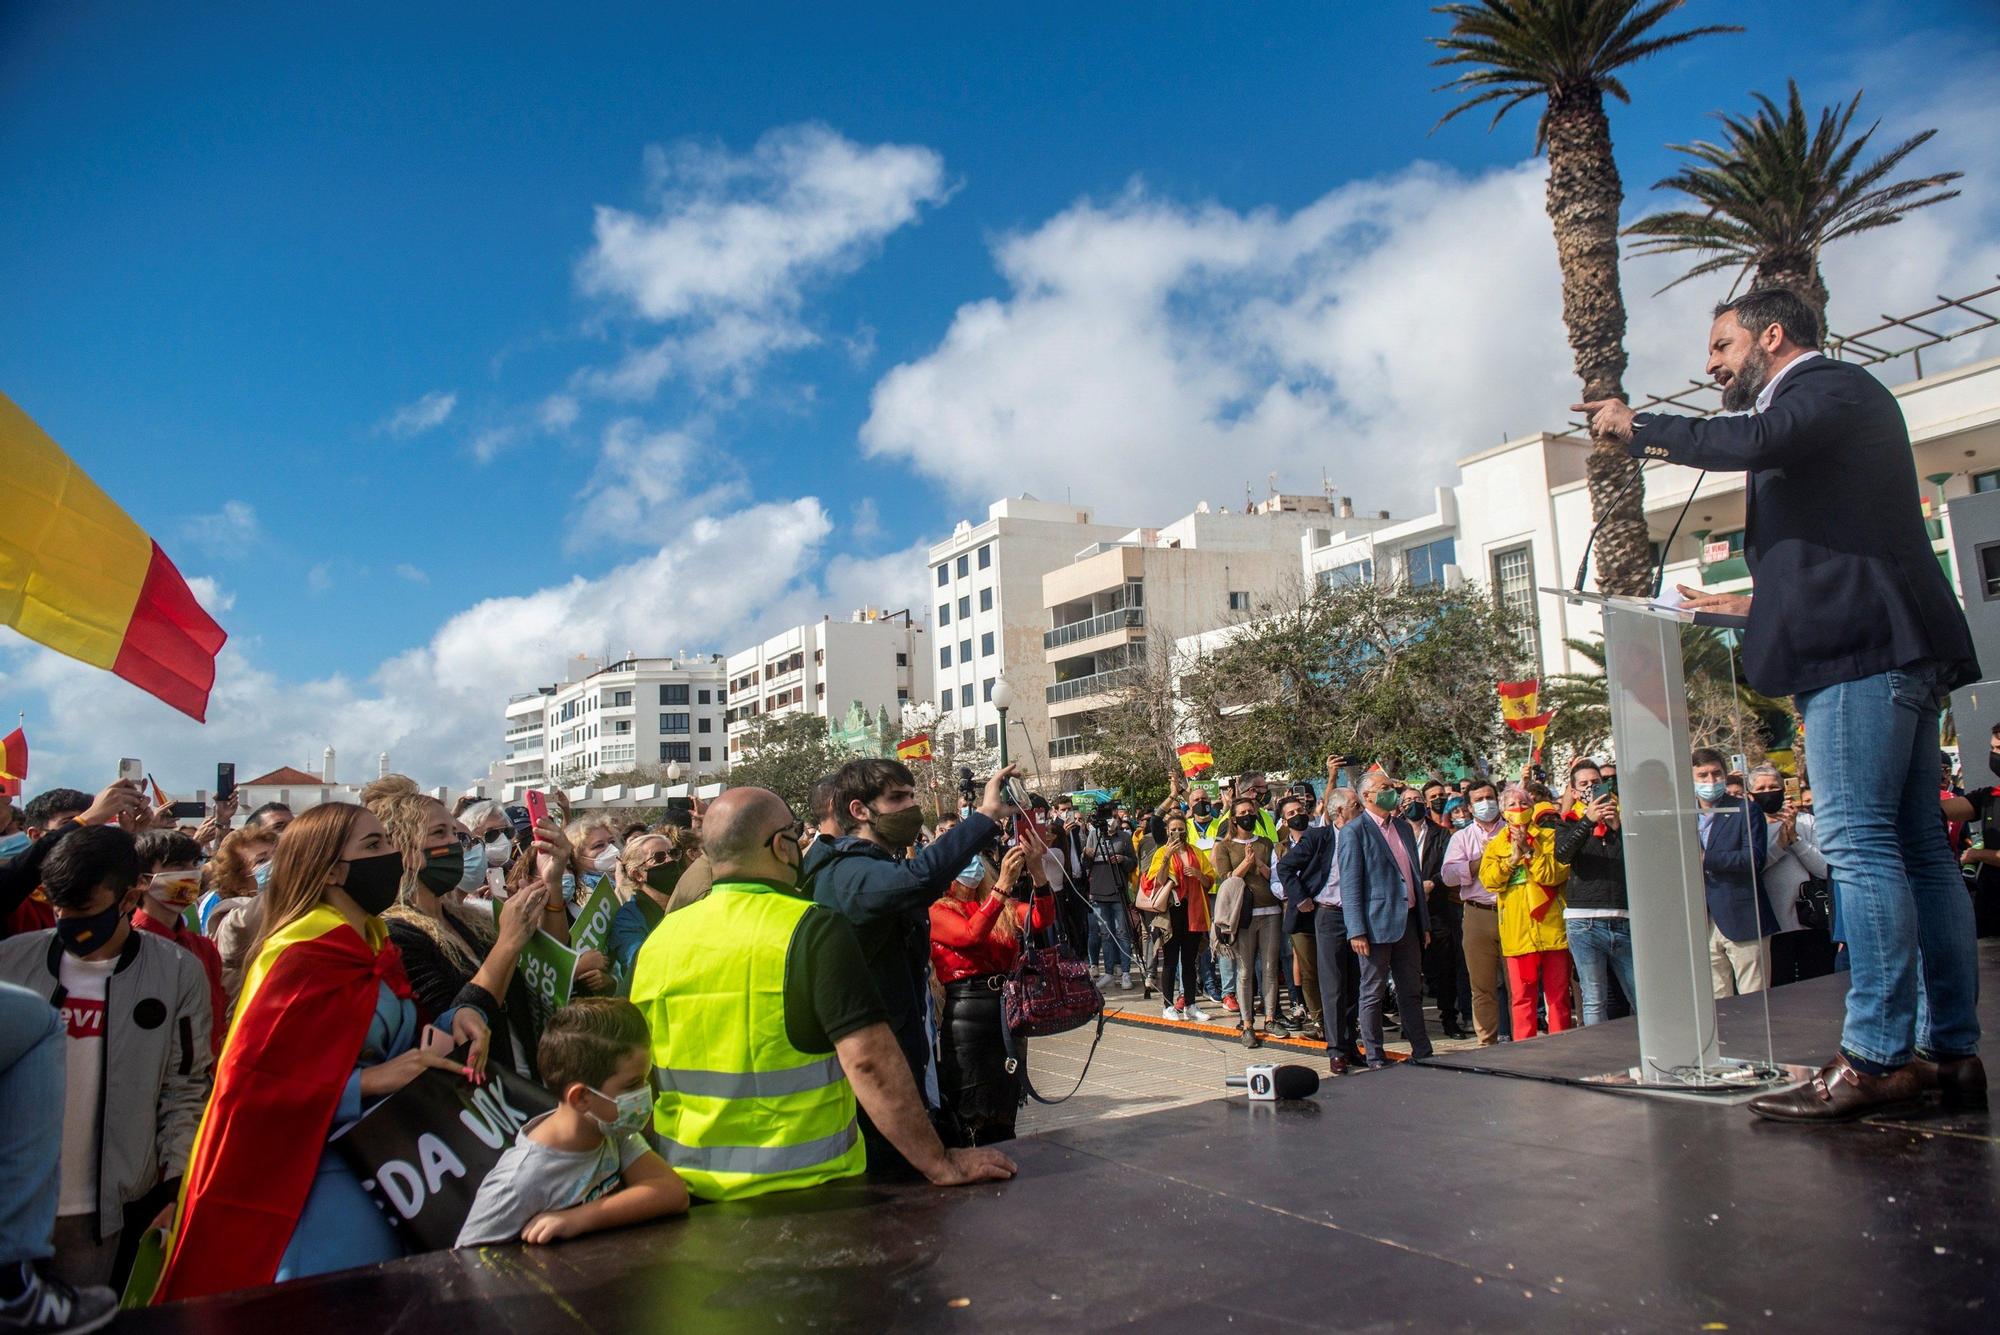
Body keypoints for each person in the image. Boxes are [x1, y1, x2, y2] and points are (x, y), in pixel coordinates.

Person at [1581, 285, 1983, 1121]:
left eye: (1722, 346)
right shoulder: (1825, 414)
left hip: (1861, 655)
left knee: (1862, 841)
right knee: (1914, 843)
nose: (1710, 363)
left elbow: (1755, 438)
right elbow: (1834, 554)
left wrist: (1639, 425)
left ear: (1771, 336)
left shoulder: (1822, 388)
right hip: (1883, 644)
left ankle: (1876, 1054)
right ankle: (1949, 1053)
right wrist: (1734, 606)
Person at [155, 803, 491, 1300]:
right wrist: (369, 1083)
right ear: (330, 869)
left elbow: (399, 1047)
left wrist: (459, 1018)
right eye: (373, 846)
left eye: (388, 842)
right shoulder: (301, 953)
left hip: (389, 1166)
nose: (392, 854)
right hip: (315, 1182)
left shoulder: (371, 942)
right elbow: (253, 1086)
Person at [631, 787, 1016, 1199]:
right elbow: (868, 1061)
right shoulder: (811, 928)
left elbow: (636, 1074)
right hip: (811, 1190)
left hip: (691, 1190)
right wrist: (939, 1162)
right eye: (795, 833)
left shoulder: (658, 942)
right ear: (781, 846)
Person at [0, 824, 212, 1289]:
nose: (68, 920)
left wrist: (176, 1184)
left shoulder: (177, 972)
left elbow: (185, 1087)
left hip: (102, 1216)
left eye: (83, 909)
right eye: (58, 908)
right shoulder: (11, 961)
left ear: (129, 897)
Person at [803, 759, 1017, 1163]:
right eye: (897, 798)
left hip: (907, 1057)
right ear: (859, 811)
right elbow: (919, 881)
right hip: (878, 1080)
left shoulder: (873, 865)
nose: (911, 807)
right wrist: (984, 817)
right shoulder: (850, 873)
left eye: (913, 796)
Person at [454, 998, 687, 1248]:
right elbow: (464, 1265)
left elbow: (672, 1192)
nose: (645, 1092)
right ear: (581, 1097)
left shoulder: (613, 1133)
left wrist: (578, 1219)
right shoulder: (519, 1181)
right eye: (632, 1085)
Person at [370, 788, 564, 1081]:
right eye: (440, 834)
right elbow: (450, 1026)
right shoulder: (396, 935)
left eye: (456, 834)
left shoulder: (469, 919)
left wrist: (553, 884)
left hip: (524, 1081)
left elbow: (551, 968)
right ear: (406, 852)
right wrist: (509, 941)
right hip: (479, 1098)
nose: (456, 844)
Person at [0, 977, 120, 1335]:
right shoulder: (18, 953)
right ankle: (10, 1285)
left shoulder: (173, 965)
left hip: (98, 1203)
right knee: (41, 1023)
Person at [929, 846, 1053, 1146]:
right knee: (971, 1106)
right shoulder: (938, 910)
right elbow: (970, 934)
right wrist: (1002, 887)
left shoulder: (1000, 906)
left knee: (1004, 1101)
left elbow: (1041, 918)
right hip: (967, 1015)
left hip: (1004, 1012)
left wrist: (1037, 873)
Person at [1342, 773, 1432, 1068]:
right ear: (1367, 796)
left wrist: (1424, 923)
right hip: (1374, 926)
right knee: (1373, 991)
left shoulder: (1404, 828)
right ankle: (1375, 1055)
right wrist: (1356, 929)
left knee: (1411, 989)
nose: (1391, 793)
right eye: (1385, 789)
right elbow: (1351, 885)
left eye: (1392, 788)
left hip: (1408, 921)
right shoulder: (1355, 832)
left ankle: (1421, 1048)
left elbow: (1414, 877)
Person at [1478, 786, 1573, 1042]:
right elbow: (1489, 881)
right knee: (1522, 998)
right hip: (1517, 932)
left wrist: (1530, 853)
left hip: (1552, 928)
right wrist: (1511, 860)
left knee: (1558, 996)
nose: (1517, 808)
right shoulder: (1496, 845)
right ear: (1502, 812)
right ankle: (1524, 1050)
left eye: (1522, 802)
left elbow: (1555, 875)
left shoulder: (1549, 838)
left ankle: (1562, 1046)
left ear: (1532, 806)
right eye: (1511, 804)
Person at [129, 831, 227, 1055]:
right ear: (143, 880)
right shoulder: (128, 944)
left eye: (193, 864)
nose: (191, 874)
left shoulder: (203, 947)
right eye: (177, 865)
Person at [1552, 760, 1634, 1027]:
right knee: (1594, 997)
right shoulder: (1569, 823)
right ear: (1574, 793)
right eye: (1584, 785)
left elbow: (1634, 860)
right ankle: (1598, 1057)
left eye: (1595, 783)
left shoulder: (1624, 819)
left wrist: (1617, 828)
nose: (1591, 788)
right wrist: (1587, 821)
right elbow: (1563, 855)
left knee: (1640, 993)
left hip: (1623, 918)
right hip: (1583, 921)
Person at [1693, 748, 1774, 997]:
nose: (1711, 781)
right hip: (1701, 920)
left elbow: (1753, 858)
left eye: (1716, 774)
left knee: (1754, 997)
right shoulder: (1684, 815)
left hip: (1742, 916)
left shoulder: (1745, 810)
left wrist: (1707, 858)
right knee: (1718, 1001)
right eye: (1703, 775)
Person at [1749, 765, 1837, 985]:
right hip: (1773, 929)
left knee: (1819, 986)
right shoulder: (1750, 827)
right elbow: (1752, 867)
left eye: (1773, 787)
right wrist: (1779, 844)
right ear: (1751, 794)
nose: (1768, 792)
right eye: (1761, 788)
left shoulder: (1807, 822)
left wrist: (1796, 840)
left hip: (1811, 922)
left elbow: (1824, 868)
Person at [1213, 795, 1285, 1047]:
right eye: (1243, 812)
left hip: (1270, 912)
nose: (1248, 816)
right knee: (1244, 971)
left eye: (1251, 811)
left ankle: (1270, 1018)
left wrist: (1260, 863)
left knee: (1269, 968)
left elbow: (1275, 875)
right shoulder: (1224, 847)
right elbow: (1226, 879)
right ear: (1234, 818)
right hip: (1242, 916)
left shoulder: (1266, 843)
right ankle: (1247, 1024)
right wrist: (1246, 862)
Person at [1441, 780, 1507, 1045]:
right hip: (1477, 913)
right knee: (1482, 986)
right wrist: (1482, 860)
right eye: (1478, 800)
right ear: (1469, 807)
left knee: (1518, 985)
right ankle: (1487, 1042)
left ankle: (1521, 1039)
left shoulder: (1513, 831)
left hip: (1510, 910)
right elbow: (1448, 876)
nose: (1485, 803)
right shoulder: (1462, 838)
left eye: (1489, 797)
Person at [1140, 812, 1214, 1023]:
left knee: (1190, 961)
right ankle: (1167, 1005)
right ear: (1167, 831)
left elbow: (1209, 881)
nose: (1178, 833)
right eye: (1174, 829)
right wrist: (1165, 859)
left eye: (1181, 829)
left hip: (1193, 911)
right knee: (1171, 960)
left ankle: (1190, 1004)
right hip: (1172, 912)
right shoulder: (1161, 852)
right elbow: (1157, 882)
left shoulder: (1196, 852)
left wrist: (1198, 875)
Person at [607, 829, 698, 981]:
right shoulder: (629, 917)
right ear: (638, 874)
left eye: (673, 853)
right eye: (659, 857)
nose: (669, 860)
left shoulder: (692, 899)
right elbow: (639, 963)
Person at [1409, 781, 1461, 1039]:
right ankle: (1412, 1023)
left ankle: (1449, 1019)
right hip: (1407, 911)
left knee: (1444, 966)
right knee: (1410, 970)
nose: (1413, 805)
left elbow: (1448, 867)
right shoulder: (1396, 834)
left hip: (1437, 908)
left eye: (1417, 800)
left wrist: (1432, 884)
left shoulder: (1441, 834)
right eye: (1406, 802)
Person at [1083, 814, 1134, 989]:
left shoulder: (1125, 837)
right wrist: (1087, 854)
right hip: (1098, 891)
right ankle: (1109, 972)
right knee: (1105, 934)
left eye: (1113, 817)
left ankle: (1126, 972)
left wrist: (1123, 859)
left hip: (1118, 890)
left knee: (1121, 932)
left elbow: (1132, 863)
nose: (1110, 821)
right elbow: (1086, 864)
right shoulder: (1094, 835)